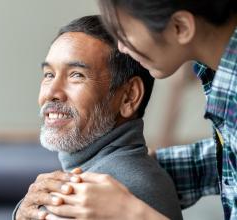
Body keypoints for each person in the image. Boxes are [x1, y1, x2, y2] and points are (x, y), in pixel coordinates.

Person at [39, 1, 237, 219]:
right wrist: (136, 170)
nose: (122, 47)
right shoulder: (215, 74)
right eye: (48, 74)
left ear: (180, 27)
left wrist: (131, 210)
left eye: (124, 32)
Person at [14, 15, 182, 220]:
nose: (51, 93)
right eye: (49, 74)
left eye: (76, 75)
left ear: (129, 97)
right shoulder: (134, 172)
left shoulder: (93, 199)